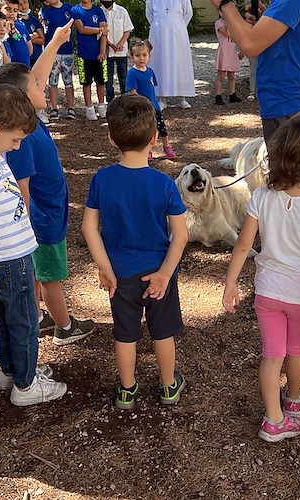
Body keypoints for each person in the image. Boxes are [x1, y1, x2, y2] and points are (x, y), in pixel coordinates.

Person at [222, 107, 300, 442]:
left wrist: (231, 283)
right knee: (296, 353)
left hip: (267, 294)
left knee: (271, 356)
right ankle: (294, 404)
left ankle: (273, 421)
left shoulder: (261, 197)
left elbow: (244, 245)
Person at [0, 19, 96, 347]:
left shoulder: (25, 121)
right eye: (36, 86)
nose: (42, 86)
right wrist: (28, 230)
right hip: (40, 222)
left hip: (47, 214)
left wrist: (54, 42)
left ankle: (37, 315)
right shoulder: (22, 140)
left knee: (38, 272)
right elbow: (20, 192)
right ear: (22, 98)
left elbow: (34, 75)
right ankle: (64, 326)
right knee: (50, 275)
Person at [82, 94, 188, 410]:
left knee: (125, 334)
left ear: (112, 137)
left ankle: (127, 389)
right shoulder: (164, 183)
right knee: (162, 332)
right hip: (158, 272)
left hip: (120, 274)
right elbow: (180, 235)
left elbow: (89, 228)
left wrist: (104, 267)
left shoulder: (102, 179)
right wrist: (165, 274)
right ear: (155, 138)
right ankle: (168, 386)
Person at [0, 83, 67, 406]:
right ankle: (26, 386)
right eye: (15, 139)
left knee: (6, 317)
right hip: (6, 258)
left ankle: (11, 370)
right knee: (25, 319)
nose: (17, 147)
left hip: (11, 254)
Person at [209, 0, 300, 144]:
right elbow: (296, 38)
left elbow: (250, 45)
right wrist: (265, 24)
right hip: (299, 101)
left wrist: (224, 4)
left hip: (287, 106)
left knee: (288, 166)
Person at [126, 38, 177, 160]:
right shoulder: (132, 73)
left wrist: (154, 103)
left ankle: (166, 146)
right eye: (138, 55)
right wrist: (143, 103)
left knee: (162, 128)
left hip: (154, 106)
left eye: (144, 55)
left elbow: (152, 88)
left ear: (149, 56)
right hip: (142, 108)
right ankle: (147, 150)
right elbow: (133, 92)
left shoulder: (150, 71)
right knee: (146, 130)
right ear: (132, 57)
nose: (141, 58)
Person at [145, 0, 195, 110]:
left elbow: (188, 13)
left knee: (180, 62)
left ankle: (182, 97)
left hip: (177, 33)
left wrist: (177, 24)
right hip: (159, 33)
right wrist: (161, 25)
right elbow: (149, 14)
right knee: (160, 62)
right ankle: (162, 98)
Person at [71, 0, 108, 121]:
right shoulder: (75, 10)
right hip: (83, 53)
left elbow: (105, 33)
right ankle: (89, 107)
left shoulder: (99, 10)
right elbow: (81, 29)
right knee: (86, 82)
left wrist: (102, 51)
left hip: (98, 54)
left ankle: (102, 105)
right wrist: (98, 30)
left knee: (101, 81)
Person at [40, 0, 76, 120]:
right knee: (53, 80)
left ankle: (71, 107)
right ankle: (54, 108)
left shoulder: (68, 8)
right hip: (52, 51)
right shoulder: (45, 11)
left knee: (68, 80)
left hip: (67, 50)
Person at [100, 0, 133, 103]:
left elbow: (127, 30)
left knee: (123, 78)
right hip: (107, 51)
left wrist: (120, 44)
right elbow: (100, 32)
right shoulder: (99, 12)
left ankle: (125, 101)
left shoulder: (122, 11)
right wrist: (109, 44)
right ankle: (110, 102)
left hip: (121, 51)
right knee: (108, 79)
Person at [214, 11, 243, 106]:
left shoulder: (233, 23)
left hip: (232, 51)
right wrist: (231, 23)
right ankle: (218, 96)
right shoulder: (219, 23)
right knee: (221, 76)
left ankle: (232, 94)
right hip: (224, 52)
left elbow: (238, 37)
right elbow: (228, 33)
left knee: (231, 75)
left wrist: (241, 51)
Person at [0, 0, 32, 67]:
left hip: (25, 67)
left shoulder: (21, 26)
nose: (12, 13)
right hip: (9, 70)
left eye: (15, 10)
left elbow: (30, 48)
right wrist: (6, 34)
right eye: (8, 9)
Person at [18, 0, 44, 67]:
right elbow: (19, 40)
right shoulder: (16, 22)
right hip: (23, 58)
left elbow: (42, 40)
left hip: (37, 57)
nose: (23, 6)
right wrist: (34, 36)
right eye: (20, 4)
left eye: (25, 2)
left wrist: (27, 38)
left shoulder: (34, 20)